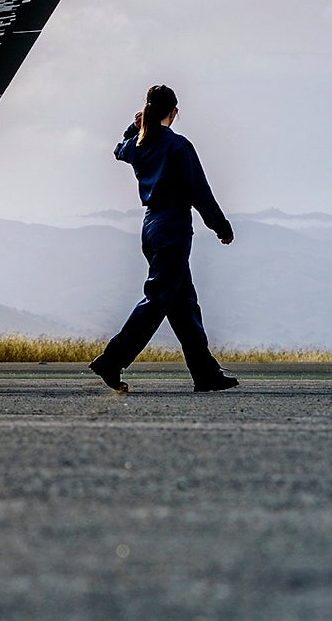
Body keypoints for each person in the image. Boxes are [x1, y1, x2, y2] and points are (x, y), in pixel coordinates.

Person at [89, 84, 239, 394]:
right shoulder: (177, 146)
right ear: (173, 113)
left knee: (183, 303)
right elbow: (199, 190)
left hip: (150, 226)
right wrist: (221, 226)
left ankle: (205, 373)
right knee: (159, 297)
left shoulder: (139, 145)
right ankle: (112, 359)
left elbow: (120, 147)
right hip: (173, 227)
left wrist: (135, 124)